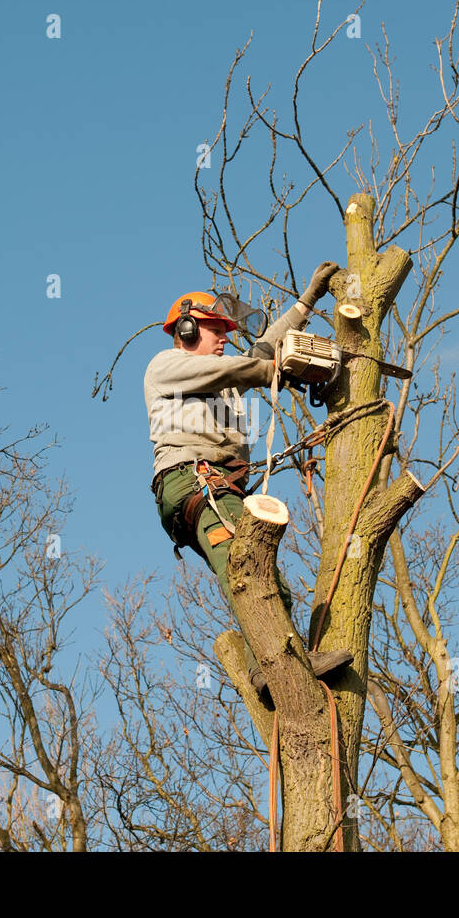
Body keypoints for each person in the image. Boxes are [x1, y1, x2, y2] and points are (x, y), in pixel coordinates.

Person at [144, 263, 352, 700]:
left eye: (225, 329)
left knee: (256, 569)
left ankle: (270, 668)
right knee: (249, 567)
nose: (223, 338)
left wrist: (306, 302)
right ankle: (278, 667)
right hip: (194, 480)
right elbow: (249, 368)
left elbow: (260, 351)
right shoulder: (167, 366)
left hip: (217, 484)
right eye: (215, 329)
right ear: (185, 330)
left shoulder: (221, 380)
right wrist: (273, 369)